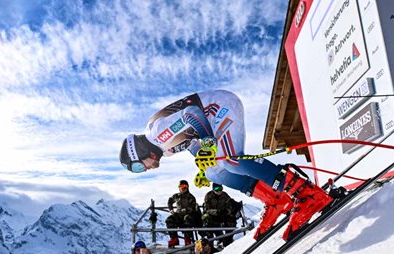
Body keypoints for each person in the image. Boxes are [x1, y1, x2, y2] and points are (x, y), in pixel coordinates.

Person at [119, 89, 333, 241]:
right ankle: (275, 199)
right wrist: (203, 164)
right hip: (212, 121)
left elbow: (191, 114)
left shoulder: (157, 135)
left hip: (219, 108)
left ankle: (307, 194)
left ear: (140, 151)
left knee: (231, 159)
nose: (145, 169)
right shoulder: (164, 148)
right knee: (215, 173)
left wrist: (209, 144)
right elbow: (191, 140)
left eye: (139, 166)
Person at [165, 180, 200, 247]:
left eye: (185, 186)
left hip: (188, 215)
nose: (183, 188)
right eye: (181, 186)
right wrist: (171, 209)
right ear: (179, 187)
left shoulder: (191, 197)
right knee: (169, 220)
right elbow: (170, 201)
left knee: (187, 219)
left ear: (187, 187)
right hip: (178, 215)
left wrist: (182, 211)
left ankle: (187, 239)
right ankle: (174, 239)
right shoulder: (176, 196)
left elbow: (192, 208)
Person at [202, 182, 237, 247]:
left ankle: (228, 239)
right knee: (206, 218)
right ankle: (210, 241)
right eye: (216, 189)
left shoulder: (225, 195)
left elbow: (229, 207)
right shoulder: (209, 196)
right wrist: (216, 212)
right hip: (212, 216)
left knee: (231, 218)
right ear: (213, 189)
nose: (219, 191)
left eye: (220, 188)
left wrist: (226, 211)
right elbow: (207, 209)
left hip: (223, 215)